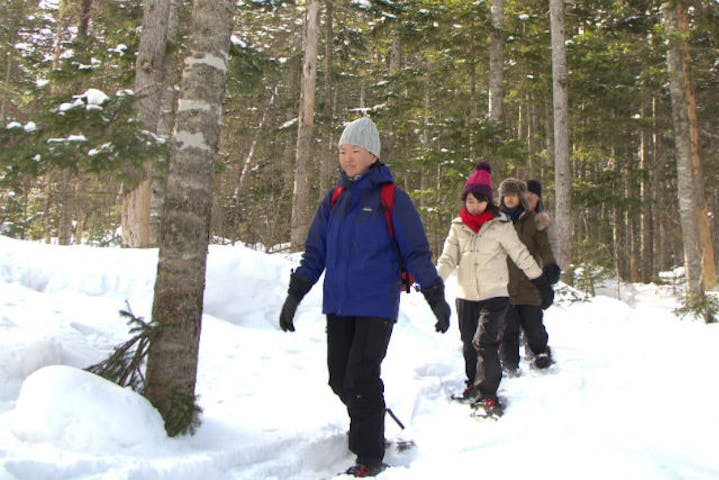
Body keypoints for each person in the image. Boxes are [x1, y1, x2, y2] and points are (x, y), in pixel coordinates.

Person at [278, 116, 451, 478]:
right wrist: (294, 296)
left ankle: (369, 456)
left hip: (375, 304)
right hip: (339, 305)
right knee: (339, 379)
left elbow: (416, 252)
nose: (348, 157)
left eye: (355, 150)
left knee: (360, 377)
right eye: (343, 151)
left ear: (372, 154)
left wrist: (435, 295)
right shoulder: (334, 199)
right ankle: (369, 420)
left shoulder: (392, 199)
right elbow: (315, 252)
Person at [436, 162, 554, 417]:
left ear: (488, 201)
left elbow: (521, 255)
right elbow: (448, 258)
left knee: (485, 342)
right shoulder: (458, 226)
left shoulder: (500, 225)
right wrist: (434, 284)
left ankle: (488, 393)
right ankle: (472, 384)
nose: (474, 205)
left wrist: (540, 281)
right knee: (468, 343)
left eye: (479, 200)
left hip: (495, 295)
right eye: (469, 200)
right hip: (467, 295)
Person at [497, 178, 560, 374]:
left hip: (528, 283)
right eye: (506, 196)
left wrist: (550, 266)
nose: (509, 199)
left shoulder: (533, 220)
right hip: (503, 284)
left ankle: (540, 353)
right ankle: (508, 363)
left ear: (520, 197)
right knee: (508, 328)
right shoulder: (496, 221)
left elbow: (544, 247)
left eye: (513, 195)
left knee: (533, 325)